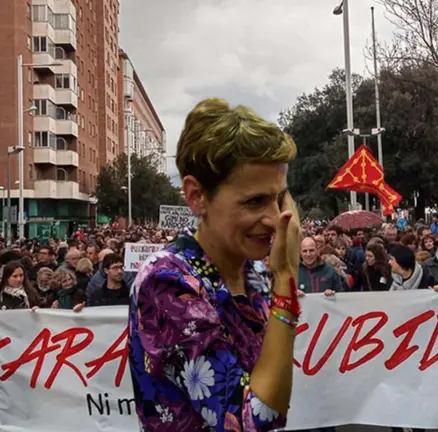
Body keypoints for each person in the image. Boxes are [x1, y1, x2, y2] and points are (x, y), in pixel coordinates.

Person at [128, 98, 305, 431]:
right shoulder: (166, 281)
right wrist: (286, 279)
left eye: (279, 198)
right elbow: (250, 421)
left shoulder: (252, 271)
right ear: (197, 197)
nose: (273, 218)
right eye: (255, 201)